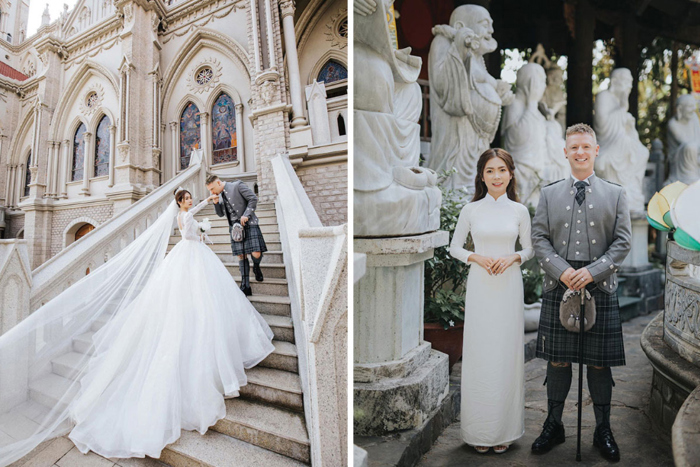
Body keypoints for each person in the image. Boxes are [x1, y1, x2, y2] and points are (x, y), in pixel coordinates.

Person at [0, 185, 275, 464]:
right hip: (193, 254)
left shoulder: (183, 214)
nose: (190, 200)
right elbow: (193, 232)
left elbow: (194, 216)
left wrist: (204, 203)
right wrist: (203, 233)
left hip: (185, 256)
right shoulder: (187, 218)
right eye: (187, 198)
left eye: (191, 197)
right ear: (180, 202)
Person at [530, 123, 631, 462]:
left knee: (600, 365)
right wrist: (563, 271)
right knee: (557, 359)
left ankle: (603, 429)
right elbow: (539, 239)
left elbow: (623, 243)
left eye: (586, 147)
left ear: (596, 150)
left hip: (599, 284)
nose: (580, 152)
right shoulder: (549, 193)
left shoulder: (616, 193)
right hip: (560, 283)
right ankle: (553, 424)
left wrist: (592, 271)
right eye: (574, 147)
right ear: (566, 151)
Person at [449, 148, 534, 454]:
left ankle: (505, 430)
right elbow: (454, 247)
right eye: (490, 171)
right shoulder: (471, 211)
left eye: (501, 170)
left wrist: (513, 257)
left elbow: (529, 250)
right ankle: (479, 432)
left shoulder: (519, 211)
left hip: (509, 286)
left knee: (506, 355)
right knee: (481, 354)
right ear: (481, 176)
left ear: (510, 174)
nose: (496, 176)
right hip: (481, 286)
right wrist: (478, 257)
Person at [207, 174, 267, 296]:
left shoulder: (237, 186)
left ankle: (256, 267)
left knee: (256, 253)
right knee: (241, 255)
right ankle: (245, 284)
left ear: (218, 183)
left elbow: (253, 199)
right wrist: (216, 203)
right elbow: (220, 214)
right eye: (210, 190)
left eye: (212, 189)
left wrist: (246, 214)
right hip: (235, 229)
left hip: (249, 223)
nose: (212, 192)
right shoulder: (220, 196)